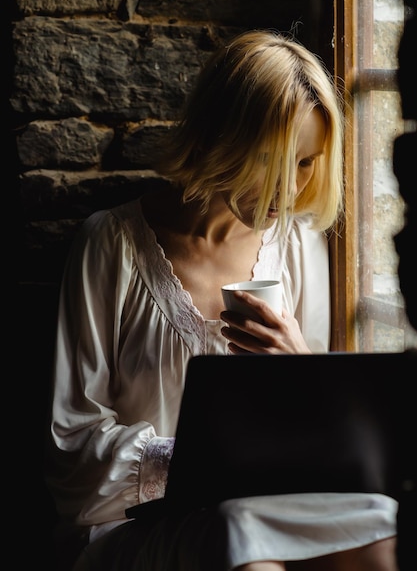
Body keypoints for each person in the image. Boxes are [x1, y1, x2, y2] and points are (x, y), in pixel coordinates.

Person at [45, 29, 399, 571]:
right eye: (273, 159)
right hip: (136, 527)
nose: (290, 187)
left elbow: (313, 447)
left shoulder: (299, 247)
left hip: (262, 507)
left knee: (382, 528)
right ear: (219, 137)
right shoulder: (110, 245)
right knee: (240, 543)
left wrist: (299, 366)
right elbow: (71, 445)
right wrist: (193, 462)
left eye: (306, 162)